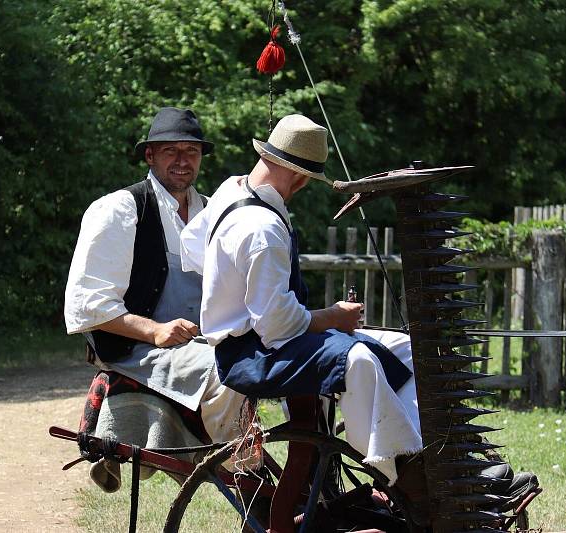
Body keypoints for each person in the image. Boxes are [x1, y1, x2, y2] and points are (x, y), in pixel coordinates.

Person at [179, 113, 423, 485]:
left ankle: (421, 450)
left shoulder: (231, 188)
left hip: (264, 340)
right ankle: (397, 473)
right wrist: (334, 316)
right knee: (357, 357)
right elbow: (277, 325)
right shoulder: (262, 229)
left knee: (404, 347)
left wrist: (228, 284)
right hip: (250, 356)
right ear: (302, 177)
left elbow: (190, 245)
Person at [64, 107, 244, 450]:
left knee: (276, 362)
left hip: (200, 343)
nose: (182, 160)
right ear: (149, 155)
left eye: (191, 151)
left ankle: (301, 479)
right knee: (229, 371)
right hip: (138, 348)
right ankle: (237, 467)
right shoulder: (121, 209)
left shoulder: (211, 212)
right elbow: (89, 305)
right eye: (170, 151)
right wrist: (156, 330)